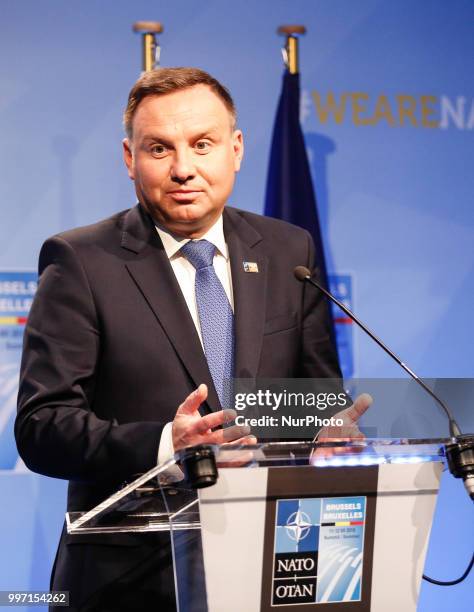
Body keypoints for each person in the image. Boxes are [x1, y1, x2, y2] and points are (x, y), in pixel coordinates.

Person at [15, 67, 365, 611]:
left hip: (275, 565)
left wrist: (325, 433)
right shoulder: (81, 261)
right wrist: (166, 445)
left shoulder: (287, 251)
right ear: (130, 158)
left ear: (236, 148)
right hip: (130, 579)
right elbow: (42, 428)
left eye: (202, 144)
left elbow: (310, 398)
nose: (184, 169)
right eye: (159, 149)